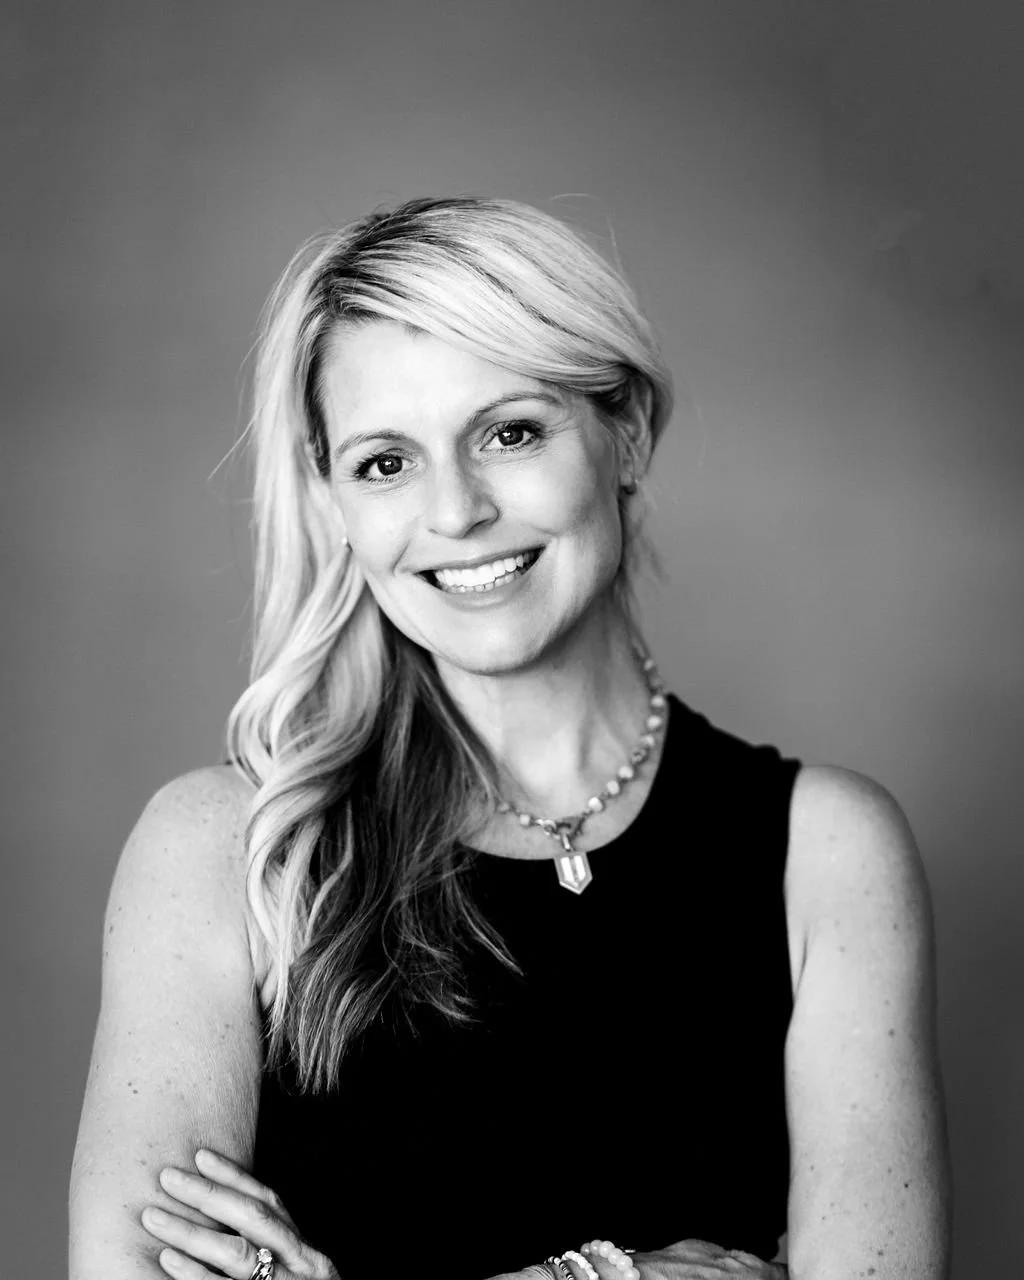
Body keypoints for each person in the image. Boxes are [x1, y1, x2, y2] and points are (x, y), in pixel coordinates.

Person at [69, 196, 952, 1280]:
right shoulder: (226, 851)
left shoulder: (826, 853)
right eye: (385, 461)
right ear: (333, 500)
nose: (454, 512)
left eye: (509, 431)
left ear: (623, 434)